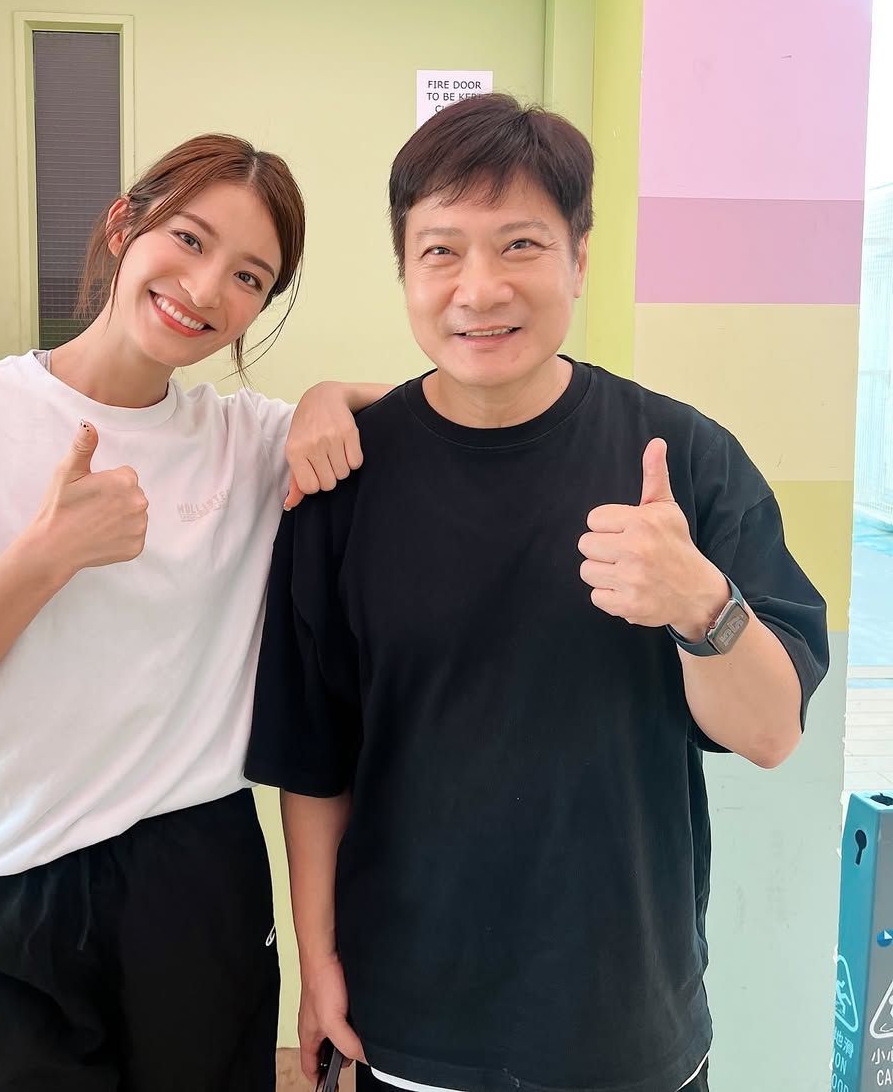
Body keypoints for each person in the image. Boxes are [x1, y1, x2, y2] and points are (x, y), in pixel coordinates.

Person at [246, 95, 828, 1092]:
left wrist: (701, 605)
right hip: (409, 1014)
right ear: (404, 269)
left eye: (520, 244)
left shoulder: (683, 457)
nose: (480, 288)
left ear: (579, 257)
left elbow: (772, 732)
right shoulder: (344, 482)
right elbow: (316, 759)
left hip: (625, 1022)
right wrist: (318, 958)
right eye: (441, 251)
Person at [0, 133, 389, 1092]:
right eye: (189, 238)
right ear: (123, 224)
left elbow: (451, 410)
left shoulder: (246, 441)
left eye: (250, 277)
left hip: (193, 874)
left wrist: (329, 395)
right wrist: (46, 556)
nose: (206, 289)